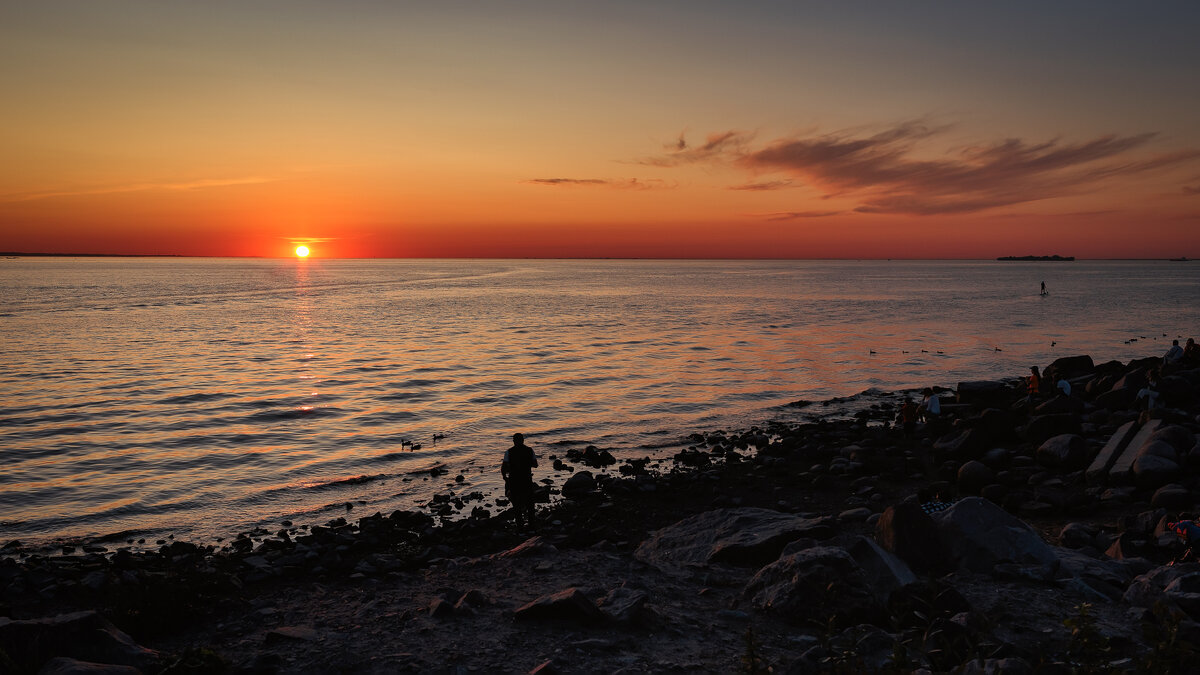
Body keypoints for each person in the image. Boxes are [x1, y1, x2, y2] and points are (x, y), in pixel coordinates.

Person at [501, 433, 538, 528]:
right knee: (530, 504)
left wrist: (505, 478)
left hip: (514, 481)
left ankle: (520, 528)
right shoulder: (530, 450)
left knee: (516, 506)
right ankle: (531, 526)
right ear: (523, 440)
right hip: (527, 480)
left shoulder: (509, 452)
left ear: (514, 441)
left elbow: (503, 468)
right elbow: (535, 464)